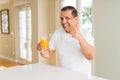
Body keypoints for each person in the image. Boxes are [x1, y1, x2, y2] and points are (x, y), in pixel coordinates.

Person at [37, 6, 95, 75]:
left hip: (82, 77)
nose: (63, 22)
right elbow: (48, 53)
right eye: (62, 18)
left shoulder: (85, 34)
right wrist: (42, 50)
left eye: (67, 18)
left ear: (76, 19)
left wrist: (79, 37)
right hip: (63, 76)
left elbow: (90, 56)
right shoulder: (57, 33)